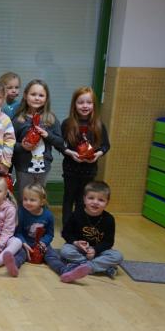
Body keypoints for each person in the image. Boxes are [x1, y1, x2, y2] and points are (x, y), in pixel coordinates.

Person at [58, 87, 110, 226]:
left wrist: (98, 154)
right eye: (81, 102)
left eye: (89, 102)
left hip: (89, 170)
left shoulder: (98, 124)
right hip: (71, 169)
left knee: (84, 199)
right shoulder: (67, 124)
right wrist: (71, 153)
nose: (85, 106)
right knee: (69, 198)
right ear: (74, 104)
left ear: (94, 105)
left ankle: (79, 225)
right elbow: (60, 146)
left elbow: (106, 145)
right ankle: (68, 226)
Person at [54, 180, 123, 279]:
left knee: (118, 256)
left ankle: (85, 267)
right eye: (91, 198)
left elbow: (108, 242)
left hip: (98, 252)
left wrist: (95, 250)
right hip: (79, 249)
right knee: (65, 251)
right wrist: (76, 243)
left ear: (107, 202)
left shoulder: (109, 219)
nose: (95, 202)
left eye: (101, 200)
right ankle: (100, 267)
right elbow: (66, 233)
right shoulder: (76, 214)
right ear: (84, 199)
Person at [12, 79, 64, 198]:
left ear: (46, 98)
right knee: (24, 198)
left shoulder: (50, 119)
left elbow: (60, 142)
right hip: (23, 169)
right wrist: (22, 146)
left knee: (40, 198)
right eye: (33, 94)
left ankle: (39, 217)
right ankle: (23, 217)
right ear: (25, 95)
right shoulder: (18, 120)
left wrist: (48, 135)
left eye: (41, 95)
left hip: (43, 168)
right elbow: (9, 144)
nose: (37, 98)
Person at [2, 183, 54, 277]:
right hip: (25, 243)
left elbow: (50, 234)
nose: (28, 202)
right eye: (25, 199)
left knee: (51, 255)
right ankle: (13, 266)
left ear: (42, 202)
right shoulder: (20, 212)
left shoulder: (48, 215)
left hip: (41, 244)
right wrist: (23, 243)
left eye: (32, 200)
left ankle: (64, 270)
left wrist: (43, 243)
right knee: (20, 254)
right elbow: (17, 232)